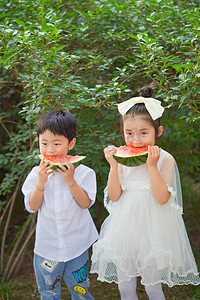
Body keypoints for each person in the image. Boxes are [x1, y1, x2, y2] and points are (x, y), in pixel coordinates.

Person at [90, 86, 200, 300]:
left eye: (143, 133)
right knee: (125, 289)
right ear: (122, 131)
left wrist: (151, 166)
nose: (136, 140)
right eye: (129, 133)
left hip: (154, 232)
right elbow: (114, 196)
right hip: (125, 230)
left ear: (158, 132)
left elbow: (162, 198)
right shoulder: (122, 159)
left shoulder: (166, 160)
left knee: (152, 288)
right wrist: (113, 166)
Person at [22, 110, 98, 300]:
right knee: (48, 293)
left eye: (57, 144)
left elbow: (85, 203)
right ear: (38, 140)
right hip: (47, 248)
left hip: (77, 246)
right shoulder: (35, 174)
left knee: (80, 291)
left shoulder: (85, 173)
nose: (50, 150)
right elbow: (31, 206)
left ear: (71, 144)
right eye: (44, 143)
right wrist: (40, 184)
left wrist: (71, 181)